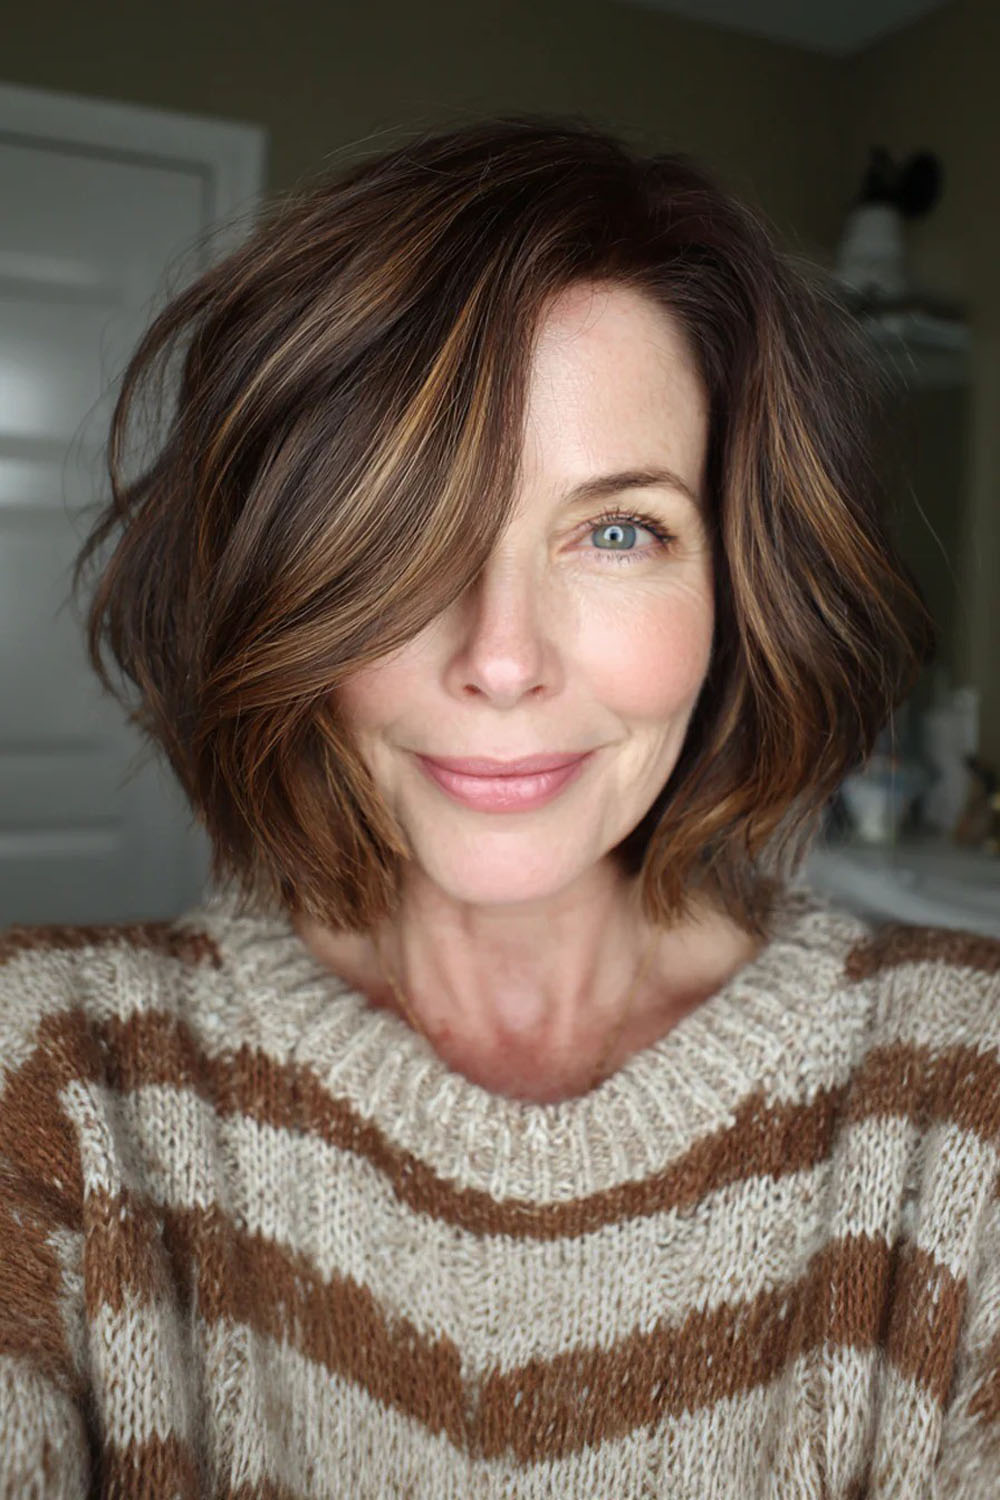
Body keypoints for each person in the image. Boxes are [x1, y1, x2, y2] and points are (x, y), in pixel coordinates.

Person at [2, 112, 999, 1498]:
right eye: (411, 526)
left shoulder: (966, 1100)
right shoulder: (51, 1079)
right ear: (283, 577)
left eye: (617, 531)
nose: (503, 657)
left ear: (737, 585)